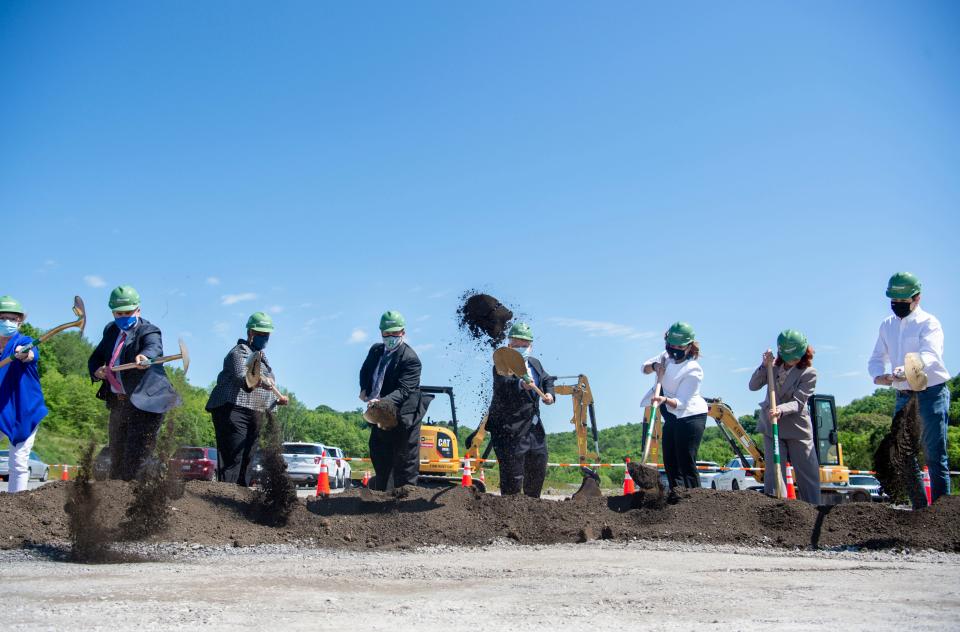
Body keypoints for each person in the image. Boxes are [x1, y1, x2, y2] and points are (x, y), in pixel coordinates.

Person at [868, 272, 951, 505]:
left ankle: (941, 513)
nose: (897, 306)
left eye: (903, 302)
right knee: (902, 453)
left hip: (931, 392)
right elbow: (876, 358)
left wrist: (907, 369)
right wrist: (878, 375)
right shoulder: (887, 326)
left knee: (934, 455)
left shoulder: (929, 323)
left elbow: (930, 355)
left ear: (917, 298)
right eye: (894, 301)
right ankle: (919, 509)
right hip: (903, 394)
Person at [88, 285, 180, 481]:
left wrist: (144, 357)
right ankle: (117, 498)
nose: (123, 317)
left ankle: (141, 498)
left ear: (138, 309)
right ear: (112, 311)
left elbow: (153, 347)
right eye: (118, 313)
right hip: (119, 402)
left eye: (128, 312)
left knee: (136, 455)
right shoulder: (111, 330)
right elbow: (95, 358)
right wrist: (97, 371)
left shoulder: (149, 330)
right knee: (117, 453)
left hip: (148, 402)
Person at [206, 312, 289, 486]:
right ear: (250, 332)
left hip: (255, 412)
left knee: (248, 458)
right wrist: (261, 381)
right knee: (233, 457)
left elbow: (266, 389)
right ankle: (226, 496)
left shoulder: (262, 357)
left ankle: (241, 500)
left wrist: (277, 400)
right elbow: (242, 377)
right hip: (232, 408)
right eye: (261, 333)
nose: (264, 337)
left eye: (267, 334)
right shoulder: (239, 352)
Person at [748, 330, 821, 505]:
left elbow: (798, 402)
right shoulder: (772, 368)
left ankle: (813, 509)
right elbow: (753, 386)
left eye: (795, 358)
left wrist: (780, 409)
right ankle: (776, 507)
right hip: (772, 426)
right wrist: (764, 365)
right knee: (774, 472)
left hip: (797, 428)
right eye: (788, 358)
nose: (792, 361)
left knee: (807, 472)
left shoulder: (809, 373)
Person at [358, 311, 428, 491]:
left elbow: (404, 390)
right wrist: (364, 388)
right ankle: (382, 495)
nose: (390, 337)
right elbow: (365, 371)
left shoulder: (411, 359)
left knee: (404, 461)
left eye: (394, 333)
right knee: (379, 453)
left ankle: (405, 500)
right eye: (386, 333)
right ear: (381, 332)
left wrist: (380, 402)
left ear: (403, 332)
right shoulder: (375, 350)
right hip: (380, 415)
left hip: (404, 415)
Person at [486, 323, 556, 498]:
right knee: (513, 477)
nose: (521, 348)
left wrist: (549, 394)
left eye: (524, 345)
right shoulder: (502, 365)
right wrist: (520, 384)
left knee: (538, 465)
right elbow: (503, 385)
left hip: (533, 428)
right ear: (510, 346)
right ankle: (510, 513)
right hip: (510, 430)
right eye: (517, 345)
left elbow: (547, 379)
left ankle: (533, 507)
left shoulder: (535, 363)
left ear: (530, 346)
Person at [641, 322, 708, 494]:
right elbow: (644, 368)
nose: (675, 349)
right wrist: (656, 367)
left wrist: (663, 399)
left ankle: (695, 498)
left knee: (685, 459)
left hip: (690, 417)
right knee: (670, 459)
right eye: (672, 345)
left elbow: (681, 403)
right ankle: (676, 496)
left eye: (680, 346)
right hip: (671, 416)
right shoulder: (665, 357)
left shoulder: (693, 370)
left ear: (689, 346)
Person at [0, 296, 48, 493]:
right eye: (2, 318)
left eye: (12, 318)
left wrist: (24, 353)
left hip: (24, 410)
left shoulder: (24, 342)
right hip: (2, 410)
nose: (6, 323)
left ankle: (16, 507)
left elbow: (31, 354)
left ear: (20, 321)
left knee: (19, 462)